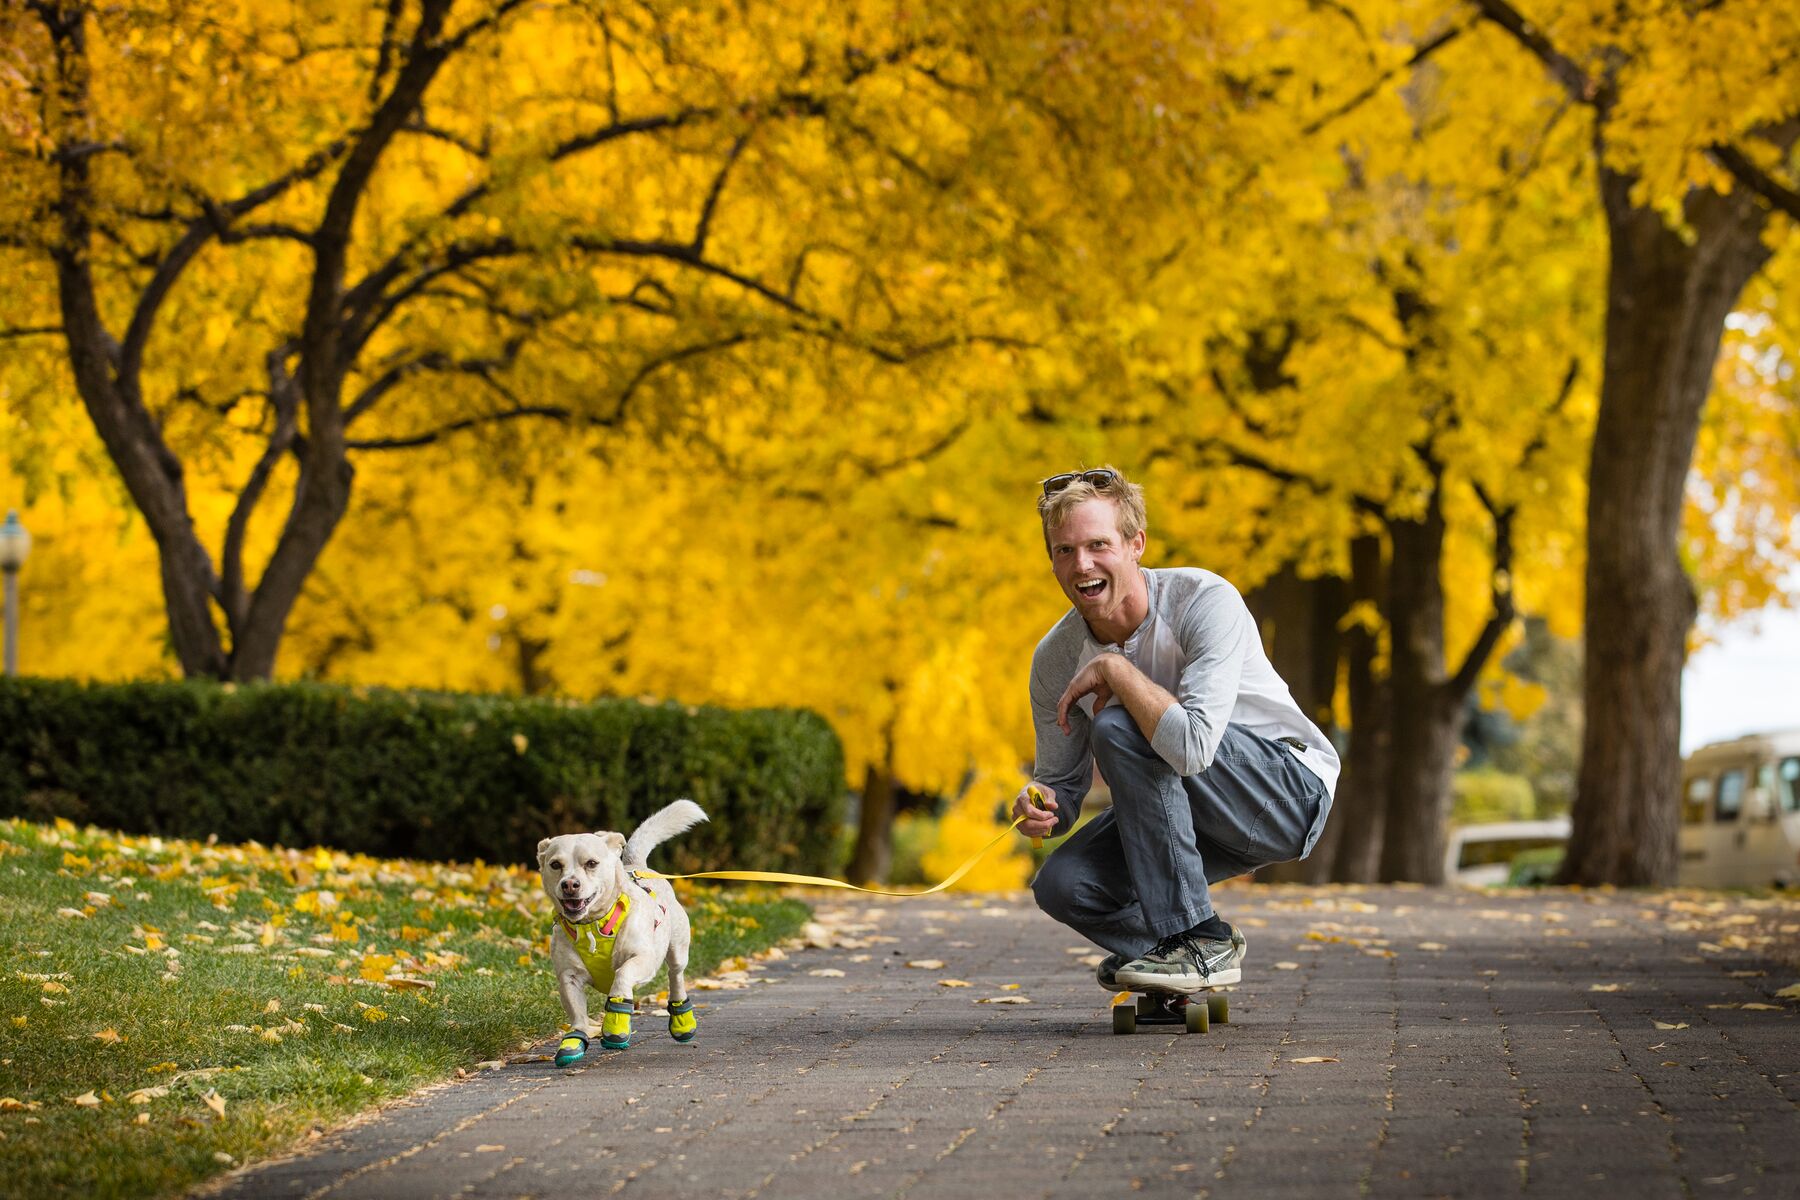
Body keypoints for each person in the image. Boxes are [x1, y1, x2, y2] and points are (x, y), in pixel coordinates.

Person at [1013, 466, 1338, 993]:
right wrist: (1040, 805)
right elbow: (1063, 787)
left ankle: (1194, 939)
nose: (1082, 564)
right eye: (1064, 551)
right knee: (1064, 885)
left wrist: (1117, 670)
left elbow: (1192, 749)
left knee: (1120, 724)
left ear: (1136, 543)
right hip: (1183, 817)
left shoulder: (1204, 600)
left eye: (1098, 544)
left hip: (1286, 793)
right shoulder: (1055, 659)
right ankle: (1181, 951)